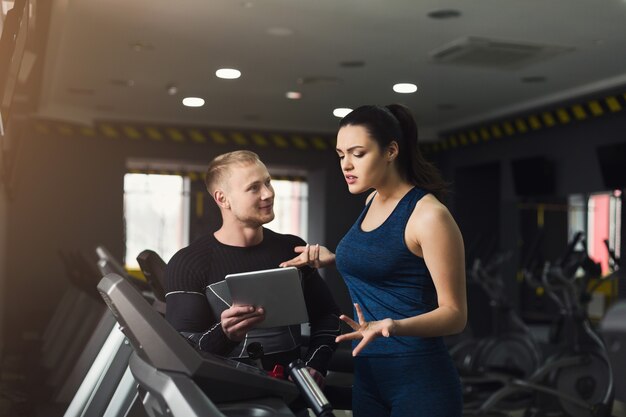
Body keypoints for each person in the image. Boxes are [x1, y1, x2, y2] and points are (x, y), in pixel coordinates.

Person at [280, 104, 466, 417]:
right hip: (369, 377)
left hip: (419, 380)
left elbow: (455, 315)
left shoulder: (429, 216)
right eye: (341, 155)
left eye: (358, 153)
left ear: (391, 150)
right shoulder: (372, 199)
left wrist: (391, 325)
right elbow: (390, 263)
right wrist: (335, 258)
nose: (346, 165)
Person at [165, 150, 341, 391]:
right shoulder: (188, 263)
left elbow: (327, 316)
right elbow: (180, 351)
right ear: (222, 199)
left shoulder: (292, 249)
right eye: (254, 188)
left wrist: (314, 365)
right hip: (225, 400)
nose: (268, 193)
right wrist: (224, 334)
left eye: (267, 182)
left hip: (289, 396)